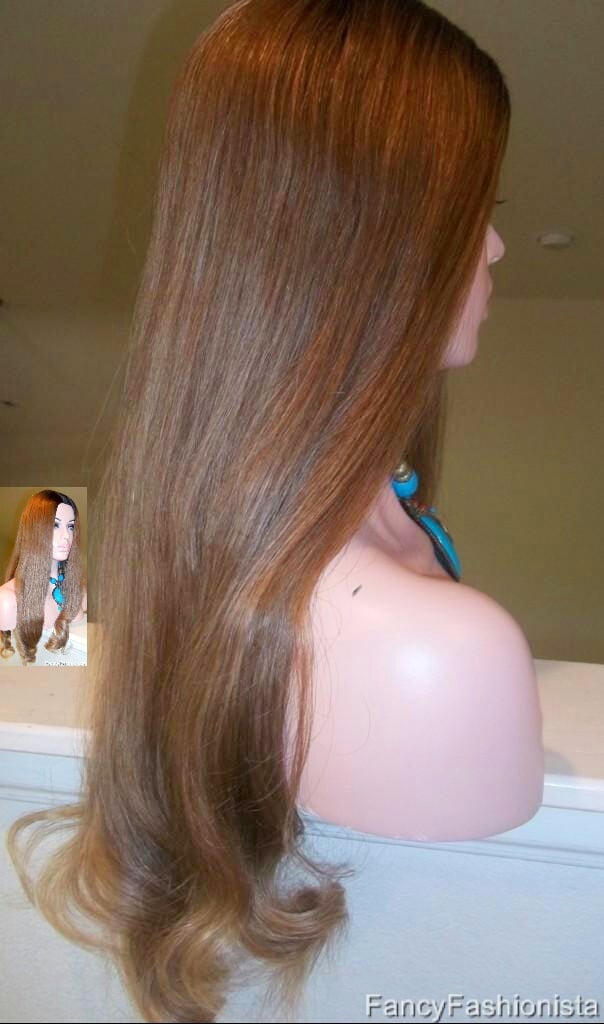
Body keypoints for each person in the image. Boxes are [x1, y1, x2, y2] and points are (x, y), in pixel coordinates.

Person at [5, 2, 543, 1022]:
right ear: (362, 241)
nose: (496, 246)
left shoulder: (356, 518)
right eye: (473, 210)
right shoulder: (440, 652)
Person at [0, 489, 87, 666]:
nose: (66, 536)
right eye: (55, 525)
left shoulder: (79, 591)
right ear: (35, 530)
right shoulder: (7, 601)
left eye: (70, 526)